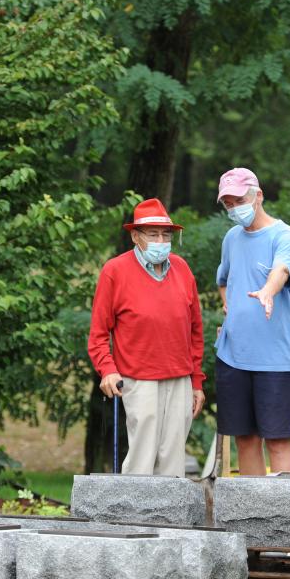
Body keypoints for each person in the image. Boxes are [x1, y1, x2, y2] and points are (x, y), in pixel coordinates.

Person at [87, 198, 206, 477]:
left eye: (166, 234)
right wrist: (107, 369)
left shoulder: (182, 269)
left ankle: (172, 519)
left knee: (173, 461)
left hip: (180, 379)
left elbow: (195, 331)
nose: (161, 240)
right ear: (135, 236)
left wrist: (197, 381)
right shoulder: (115, 271)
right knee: (141, 459)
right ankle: (133, 518)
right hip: (138, 378)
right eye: (153, 234)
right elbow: (98, 334)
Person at [214, 167, 290, 475]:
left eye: (238, 199)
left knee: (278, 441)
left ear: (258, 196)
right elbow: (223, 279)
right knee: (245, 439)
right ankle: (252, 517)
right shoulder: (231, 238)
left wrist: (267, 292)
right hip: (234, 355)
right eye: (227, 202)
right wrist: (230, 308)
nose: (233, 207)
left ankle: (288, 515)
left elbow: (280, 271)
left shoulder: (284, 235)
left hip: (276, 359)